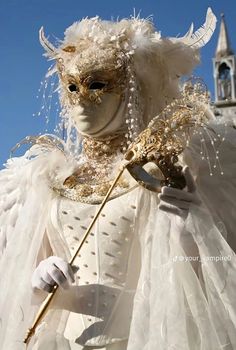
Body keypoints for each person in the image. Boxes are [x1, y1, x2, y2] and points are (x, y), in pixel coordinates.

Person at [1, 8, 236, 350]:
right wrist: (38, 280)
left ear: (129, 89)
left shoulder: (162, 172)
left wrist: (189, 229)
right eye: (72, 86)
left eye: (97, 85)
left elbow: (194, 282)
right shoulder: (47, 179)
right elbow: (19, 282)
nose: (82, 99)